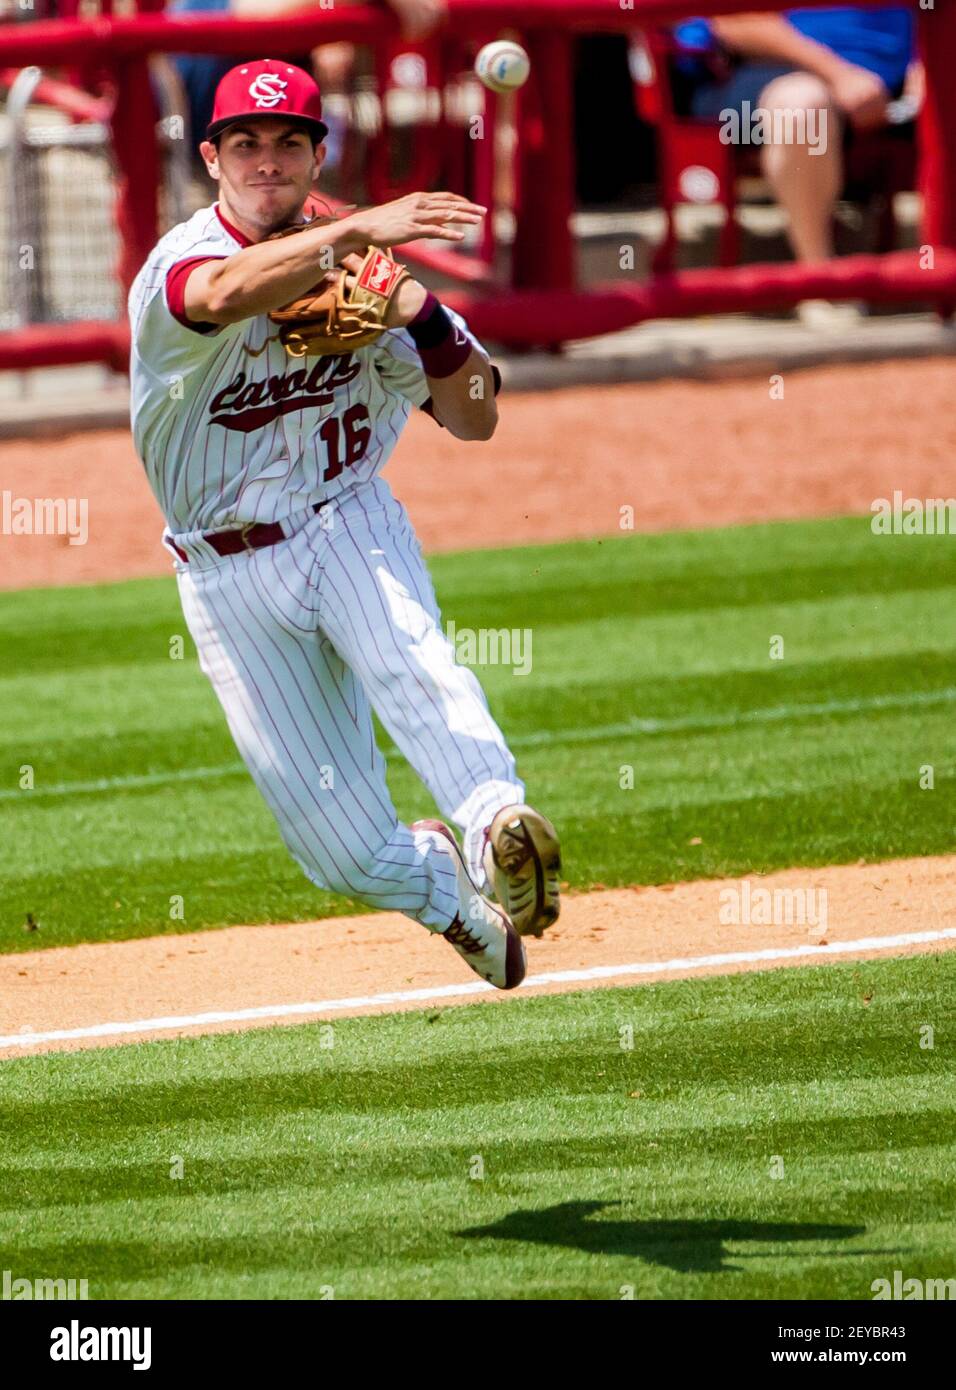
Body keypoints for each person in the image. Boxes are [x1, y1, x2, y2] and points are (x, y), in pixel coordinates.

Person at [127, 59, 560, 993]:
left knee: (413, 655)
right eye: (246, 142)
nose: (267, 161)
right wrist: (355, 230)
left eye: (290, 143)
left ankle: (497, 827)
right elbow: (220, 296)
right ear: (211, 157)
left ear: (318, 155)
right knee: (344, 855)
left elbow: (478, 415)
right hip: (223, 570)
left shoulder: (372, 276)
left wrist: (425, 313)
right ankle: (451, 896)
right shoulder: (180, 262)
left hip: (344, 518)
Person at [673, 8, 918, 322]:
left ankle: (941, 277)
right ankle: (819, 281)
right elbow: (736, 20)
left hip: (889, 83)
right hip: (764, 71)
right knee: (802, 106)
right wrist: (839, 75)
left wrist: (927, 64)